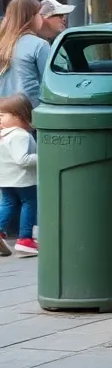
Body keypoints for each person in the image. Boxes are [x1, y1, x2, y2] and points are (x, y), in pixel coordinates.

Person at [0, 94, 37, 256]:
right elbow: (22, 160)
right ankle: (25, 239)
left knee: (8, 204)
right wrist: (45, 158)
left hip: (6, 179)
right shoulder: (20, 135)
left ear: (18, 116)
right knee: (29, 203)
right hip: (23, 180)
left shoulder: (4, 135)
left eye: (2, 116)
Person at [0, 0, 50, 107]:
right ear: (32, 17)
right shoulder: (40, 45)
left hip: (3, 112)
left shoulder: (2, 43)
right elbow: (48, 83)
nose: (42, 18)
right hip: (29, 111)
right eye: (40, 14)